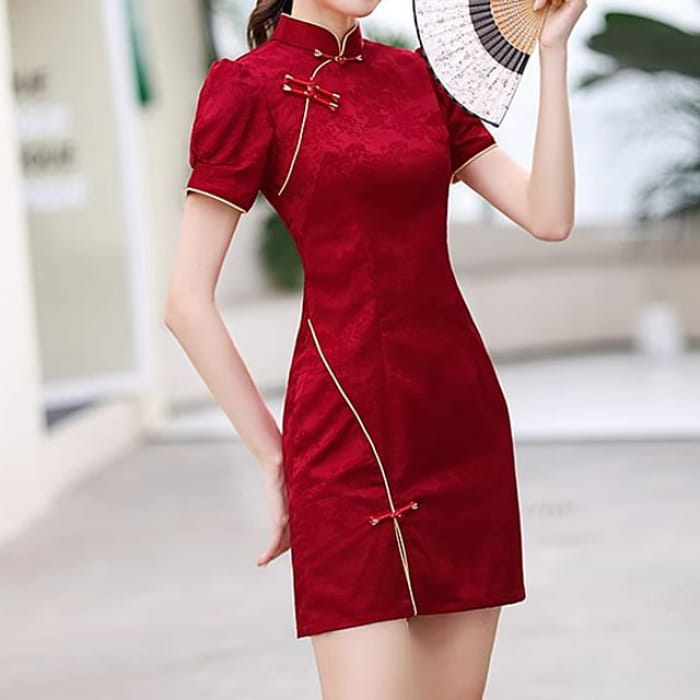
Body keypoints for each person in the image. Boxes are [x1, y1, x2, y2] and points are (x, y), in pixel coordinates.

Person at [164, 0, 586, 697]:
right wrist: (273, 455)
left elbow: (549, 215)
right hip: (342, 442)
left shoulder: (421, 77)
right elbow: (185, 303)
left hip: (459, 428)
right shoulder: (248, 88)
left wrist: (555, 52)